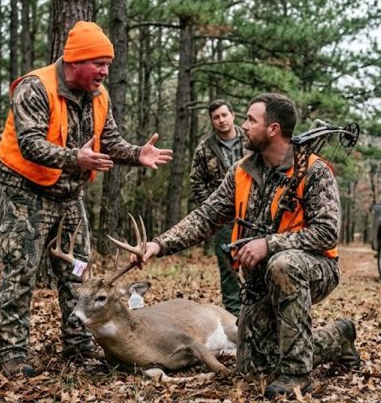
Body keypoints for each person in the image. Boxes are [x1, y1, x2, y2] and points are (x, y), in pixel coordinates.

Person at [136, 93, 360, 398]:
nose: (242, 125)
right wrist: (159, 245)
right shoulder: (242, 172)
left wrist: (269, 244)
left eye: (251, 120)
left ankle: (298, 375)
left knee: (285, 264)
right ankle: (339, 336)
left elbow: (327, 232)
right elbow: (205, 217)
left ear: (273, 129)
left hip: (314, 268)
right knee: (253, 364)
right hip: (261, 279)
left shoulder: (314, 170)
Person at [0, 21, 173, 377]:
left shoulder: (99, 95)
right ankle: (13, 354)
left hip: (68, 197)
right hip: (25, 194)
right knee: (21, 272)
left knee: (77, 272)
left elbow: (110, 142)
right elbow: (30, 144)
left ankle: (77, 346)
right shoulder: (35, 88)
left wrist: (137, 153)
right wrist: (74, 158)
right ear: (76, 61)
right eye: (100, 63)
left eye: (108, 64)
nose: (106, 71)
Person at [189, 99, 249, 316]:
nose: (222, 120)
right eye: (216, 117)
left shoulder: (251, 139)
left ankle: (258, 313)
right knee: (229, 269)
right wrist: (213, 209)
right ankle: (235, 317)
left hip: (253, 214)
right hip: (223, 219)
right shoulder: (205, 148)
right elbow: (197, 182)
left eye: (225, 115)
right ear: (212, 121)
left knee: (257, 265)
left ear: (233, 115)